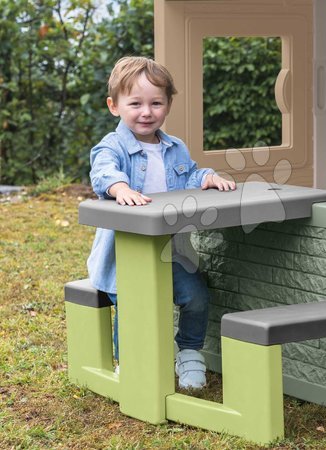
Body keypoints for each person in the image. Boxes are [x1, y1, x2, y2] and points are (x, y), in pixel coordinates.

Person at [87, 56, 235, 389]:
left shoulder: (175, 148)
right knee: (133, 305)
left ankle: (190, 351)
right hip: (127, 254)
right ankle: (131, 360)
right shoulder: (112, 147)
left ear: (167, 105)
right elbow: (102, 171)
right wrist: (120, 187)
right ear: (114, 106)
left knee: (196, 296)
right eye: (135, 103)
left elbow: (190, 173)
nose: (146, 112)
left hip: (172, 249)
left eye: (156, 103)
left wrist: (207, 177)